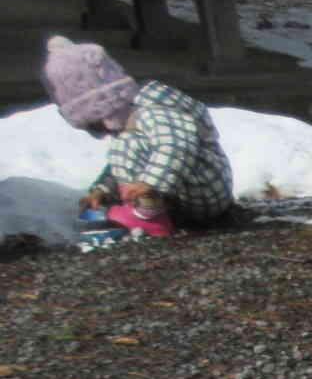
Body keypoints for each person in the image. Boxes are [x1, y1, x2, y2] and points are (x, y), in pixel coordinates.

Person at [40, 35, 236, 237]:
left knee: (129, 143)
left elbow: (177, 146)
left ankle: (148, 217)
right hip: (180, 194)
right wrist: (104, 189)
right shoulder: (128, 119)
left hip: (206, 189)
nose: (99, 129)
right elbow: (120, 164)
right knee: (125, 145)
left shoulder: (152, 110)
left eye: (95, 121)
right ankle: (147, 208)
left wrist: (150, 183)